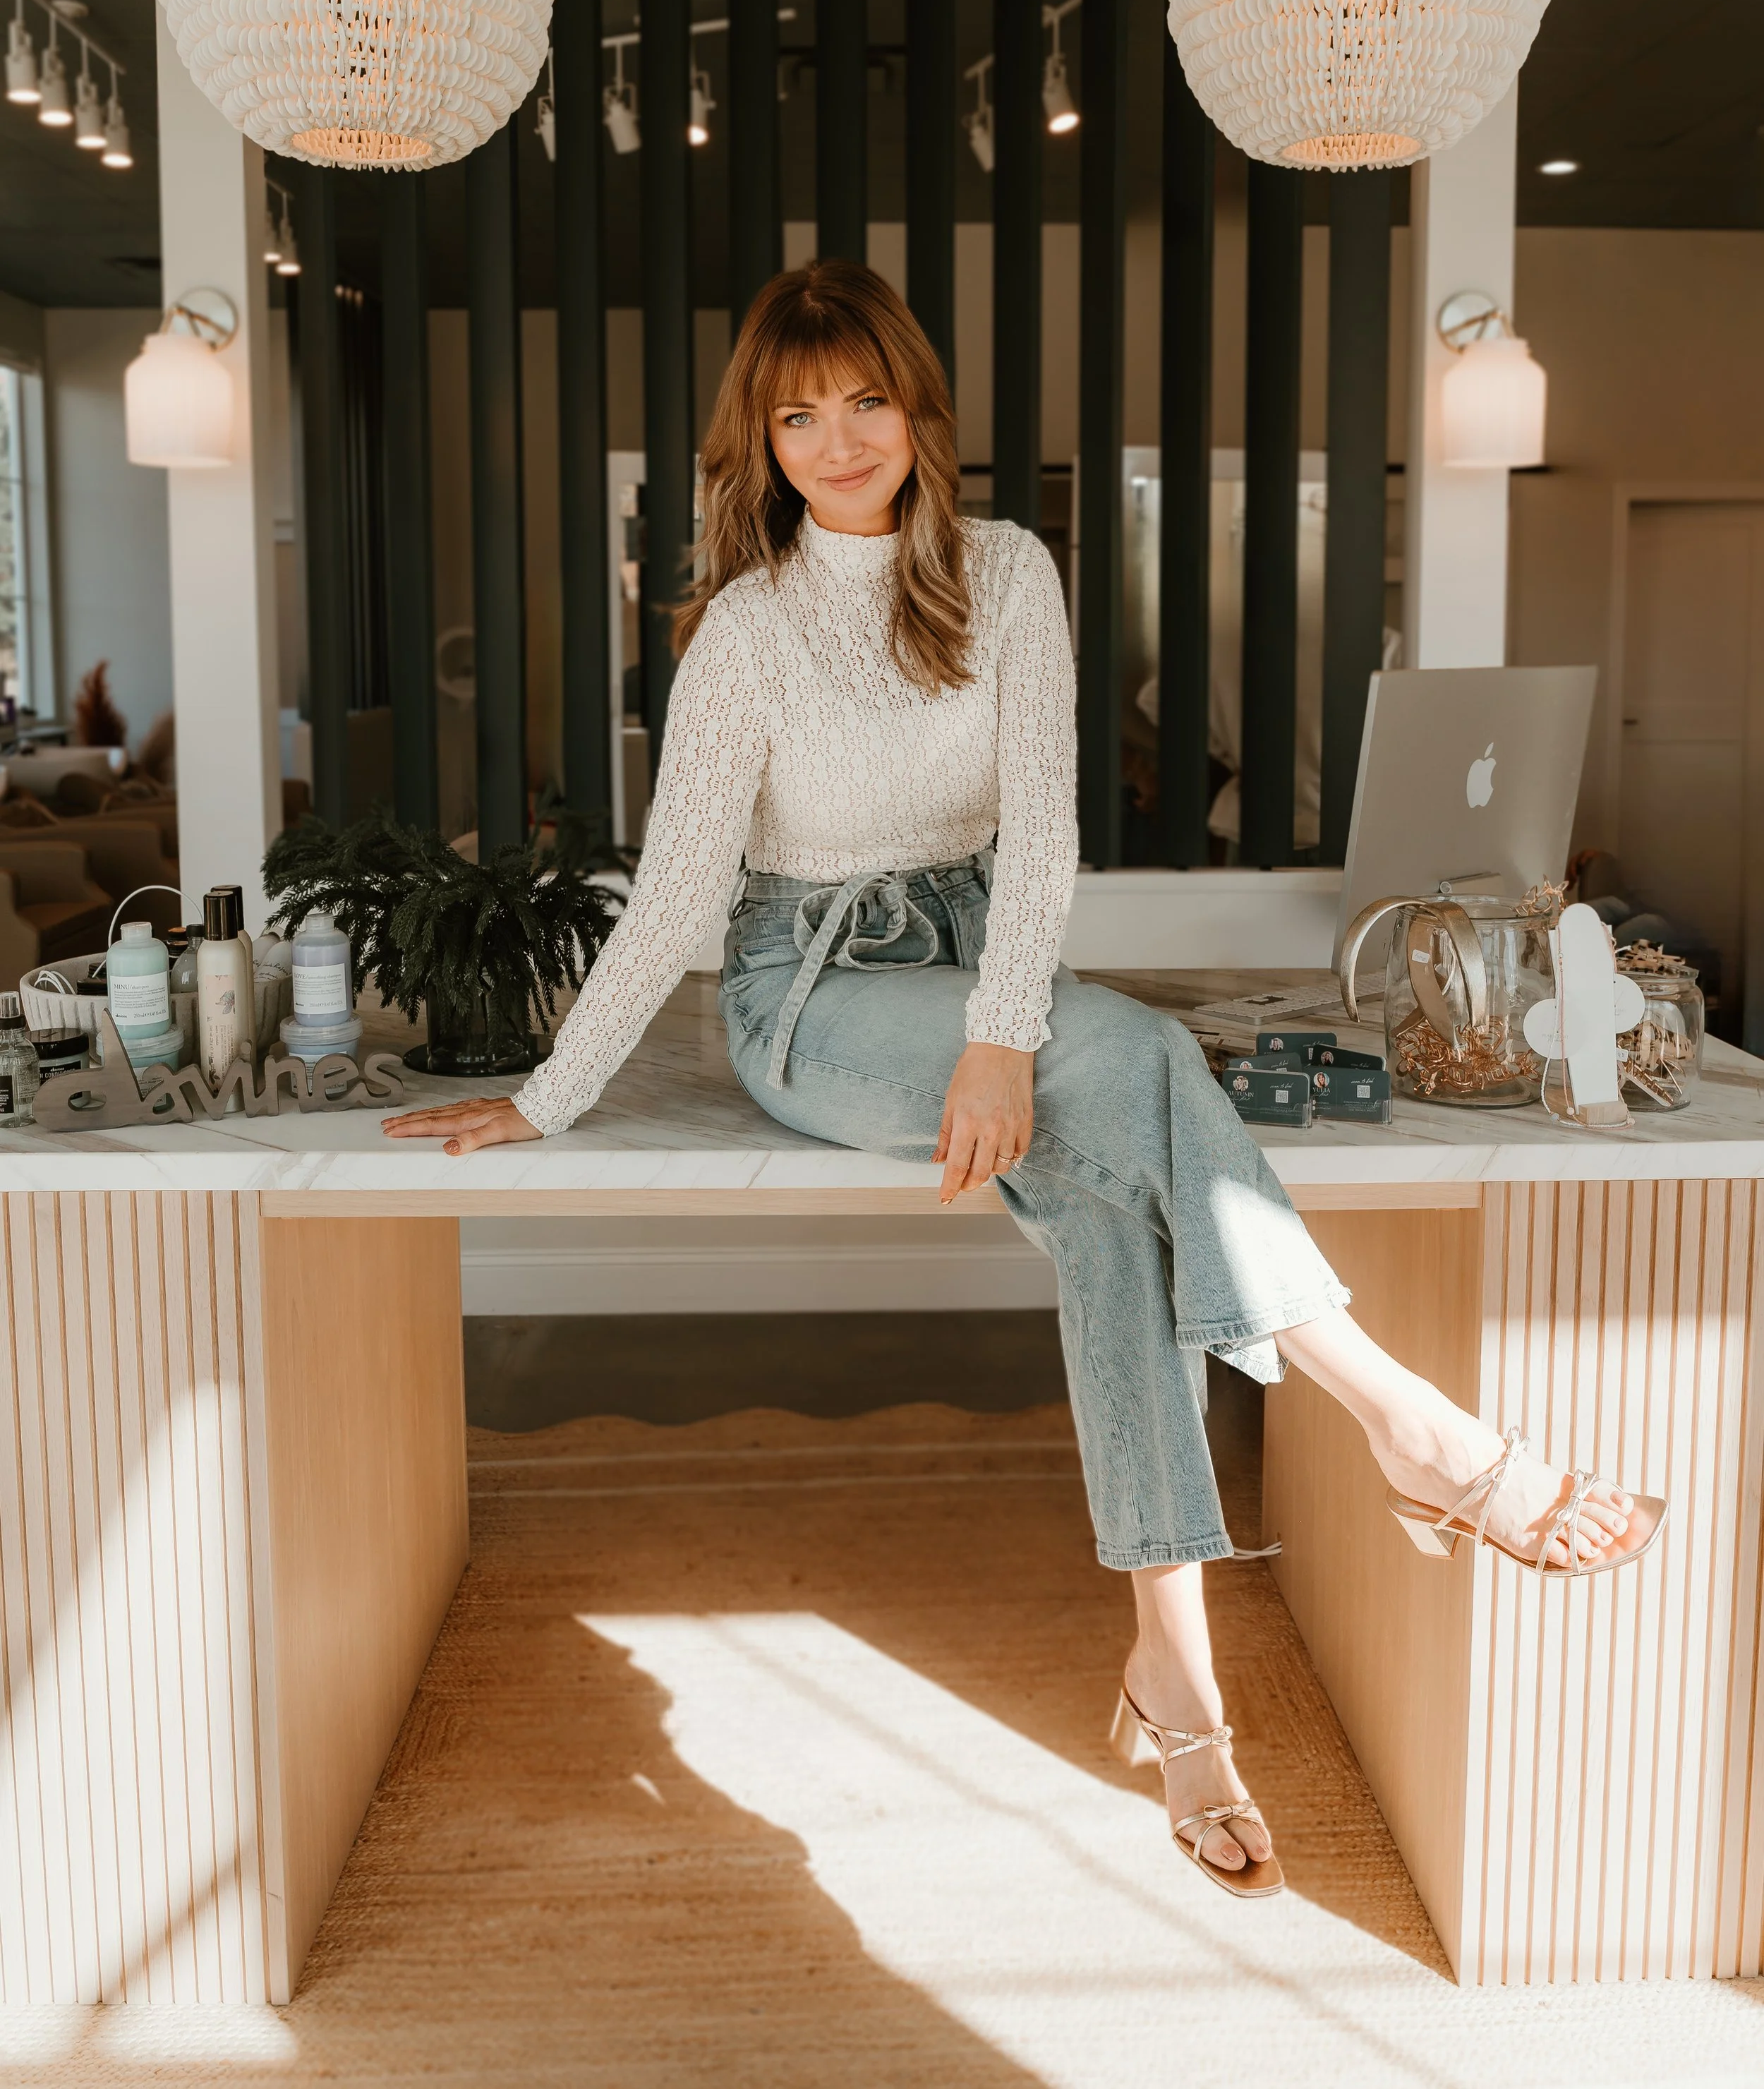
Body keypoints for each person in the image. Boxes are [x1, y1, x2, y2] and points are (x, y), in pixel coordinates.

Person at [387, 260, 1665, 1901]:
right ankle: (1415, 1431)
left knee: (1109, 1217)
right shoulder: (745, 636)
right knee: (1130, 1049)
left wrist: (1000, 1033)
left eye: (865, 402)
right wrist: (548, 1095)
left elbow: (1045, 831)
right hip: (818, 994)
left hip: (983, 962)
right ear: (759, 443)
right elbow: (679, 900)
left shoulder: (1008, 574)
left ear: (921, 412)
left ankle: (1175, 1684)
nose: (836, 441)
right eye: (796, 415)